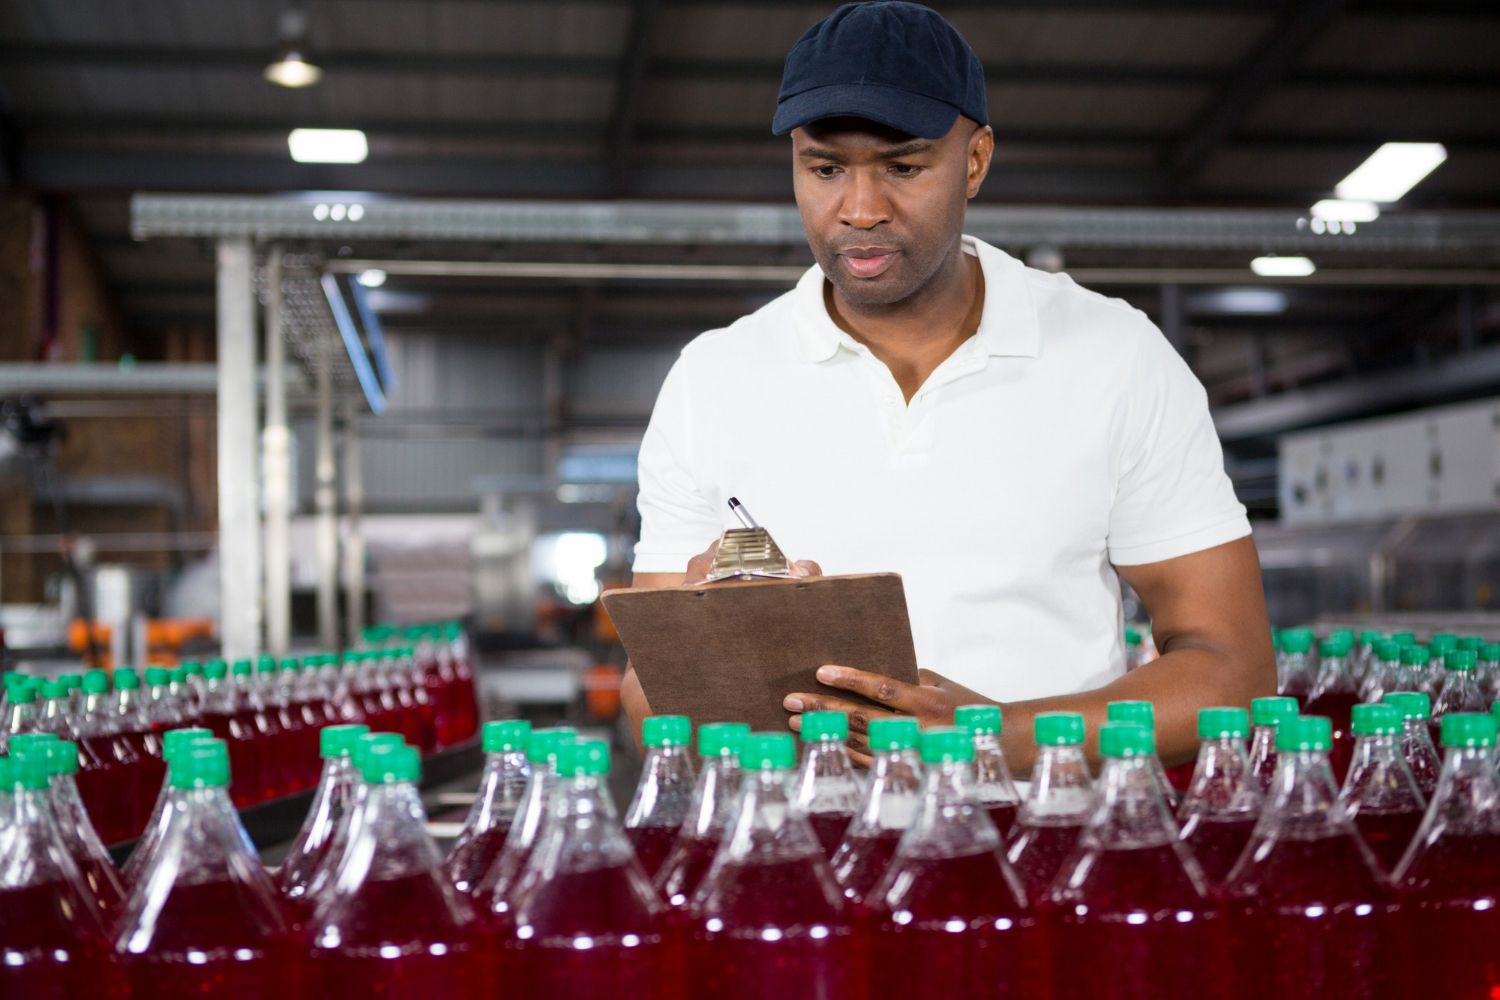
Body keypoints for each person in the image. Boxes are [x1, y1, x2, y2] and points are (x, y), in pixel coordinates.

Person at [623, 1, 1274, 770]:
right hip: (806, 857)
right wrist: (707, 656)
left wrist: (994, 740)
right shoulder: (714, 379)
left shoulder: (1115, 355)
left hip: (1050, 857)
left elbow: (1234, 672)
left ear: (975, 160)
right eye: (824, 168)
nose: (859, 211)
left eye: (903, 167)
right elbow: (645, 699)